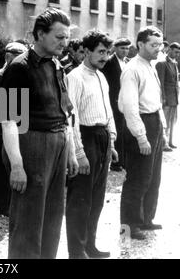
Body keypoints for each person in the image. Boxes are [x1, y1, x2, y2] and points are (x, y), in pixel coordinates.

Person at [1, 8, 78, 259]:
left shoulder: (57, 65)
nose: (65, 43)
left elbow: (65, 112)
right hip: (31, 146)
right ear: (40, 34)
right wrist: (16, 165)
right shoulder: (18, 67)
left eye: (67, 37)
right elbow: (8, 120)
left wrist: (72, 153)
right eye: (59, 37)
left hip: (58, 144)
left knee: (53, 218)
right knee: (28, 222)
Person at [66, 30, 118, 259]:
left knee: (96, 199)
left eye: (108, 52)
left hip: (102, 138)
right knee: (80, 199)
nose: (105, 57)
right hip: (85, 137)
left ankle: (90, 246)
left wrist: (112, 141)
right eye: (100, 52)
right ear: (86, 51)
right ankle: (76, 251)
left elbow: (108, 111)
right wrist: (79, 152)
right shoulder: (75, 77)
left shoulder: (101, 76)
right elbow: (71, 117)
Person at [118, 26, 167, 240]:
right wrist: (140, 136)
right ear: (140, 45)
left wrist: (162, 129)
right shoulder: (132, 69)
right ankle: (129, 226)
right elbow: (129, 107)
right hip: (141, 124)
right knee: (138, 177)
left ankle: (146, 218)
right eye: (153, 45)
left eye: (160, 44)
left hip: (153, 122)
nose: (158, 49)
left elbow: (156, 102)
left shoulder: (150, 66)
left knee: (153, 176)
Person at [0, 42, 28, 216]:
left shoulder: (21, 75)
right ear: (8, 56)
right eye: (17, 54)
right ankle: (1, 205)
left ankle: (12, 204)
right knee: (1, 169)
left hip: (17, 127)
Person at [101, 37, 131, 171]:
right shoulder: (109, 62)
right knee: (116, 130)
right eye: (122, 48)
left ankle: (124, 160)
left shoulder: (128, 63)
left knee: (125, 130)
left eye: (127, 48)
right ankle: (115, 161)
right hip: (113, 102)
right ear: (115, 48)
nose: (125, 51)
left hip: (126, 102)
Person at [156, 42, 180, 151]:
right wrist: (163, 98)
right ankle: (163, 143)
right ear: (170, 50)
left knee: (172, 121)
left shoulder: (174, 64)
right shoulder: (162, 64)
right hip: (166, 99)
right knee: (164, 121)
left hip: (174, 98)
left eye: (179, 53)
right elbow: (160, 83)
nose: (177, 55)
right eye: (176, 52)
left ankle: (170, 141)